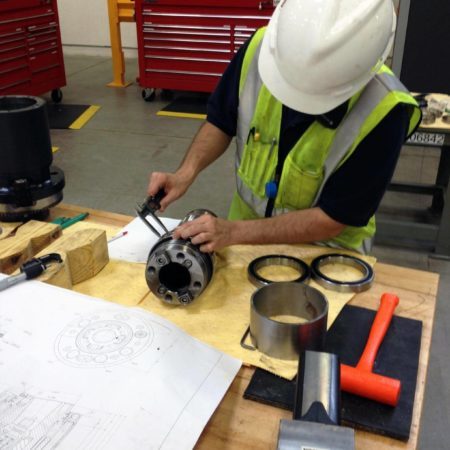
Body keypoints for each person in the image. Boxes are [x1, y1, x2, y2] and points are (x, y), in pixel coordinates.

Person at [147, 0, 421, 254]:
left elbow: (334, 218)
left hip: (326, 255)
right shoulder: (261, 48)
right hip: (243, 243)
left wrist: (234, 231)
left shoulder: (386, 110)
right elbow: (221, 121)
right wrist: (185, 172)